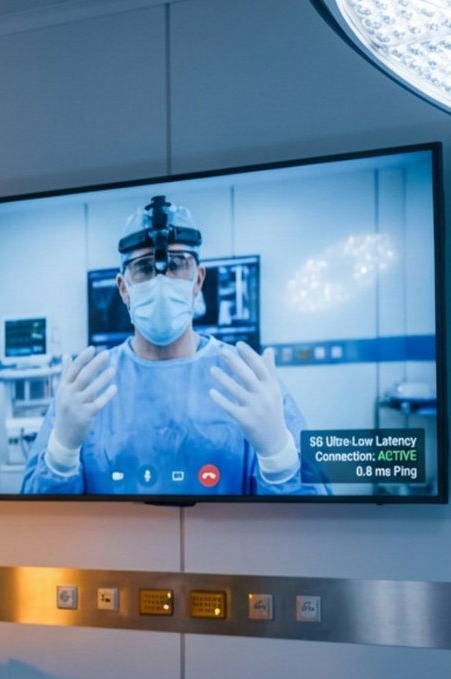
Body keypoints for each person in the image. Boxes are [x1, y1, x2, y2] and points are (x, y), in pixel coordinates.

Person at [21, 195, 327, 496]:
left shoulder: (250, 380)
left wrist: (279, 459)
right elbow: (36, 522)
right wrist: (61, 455)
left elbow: (317, 518)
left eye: (178, 264)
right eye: (143, 267)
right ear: (122, 288)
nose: (161, 280)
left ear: (198, 280)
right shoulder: (86, 387)